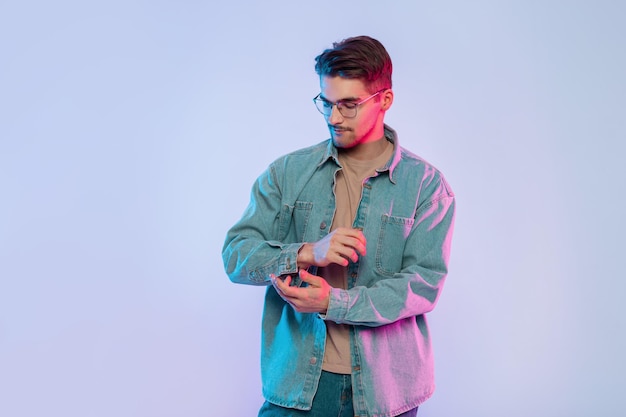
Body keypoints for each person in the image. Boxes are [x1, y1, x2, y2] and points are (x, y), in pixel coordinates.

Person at [222, 35, 455, 417]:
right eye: (326, 103)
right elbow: (235, 255)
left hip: (386, 394)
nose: (333, 118)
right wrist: (306, 252)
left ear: (385, 100)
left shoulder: (426, 186)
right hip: (297, 388)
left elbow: (423, 285)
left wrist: (334, 303)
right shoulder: (287, 173)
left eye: (349, 105)